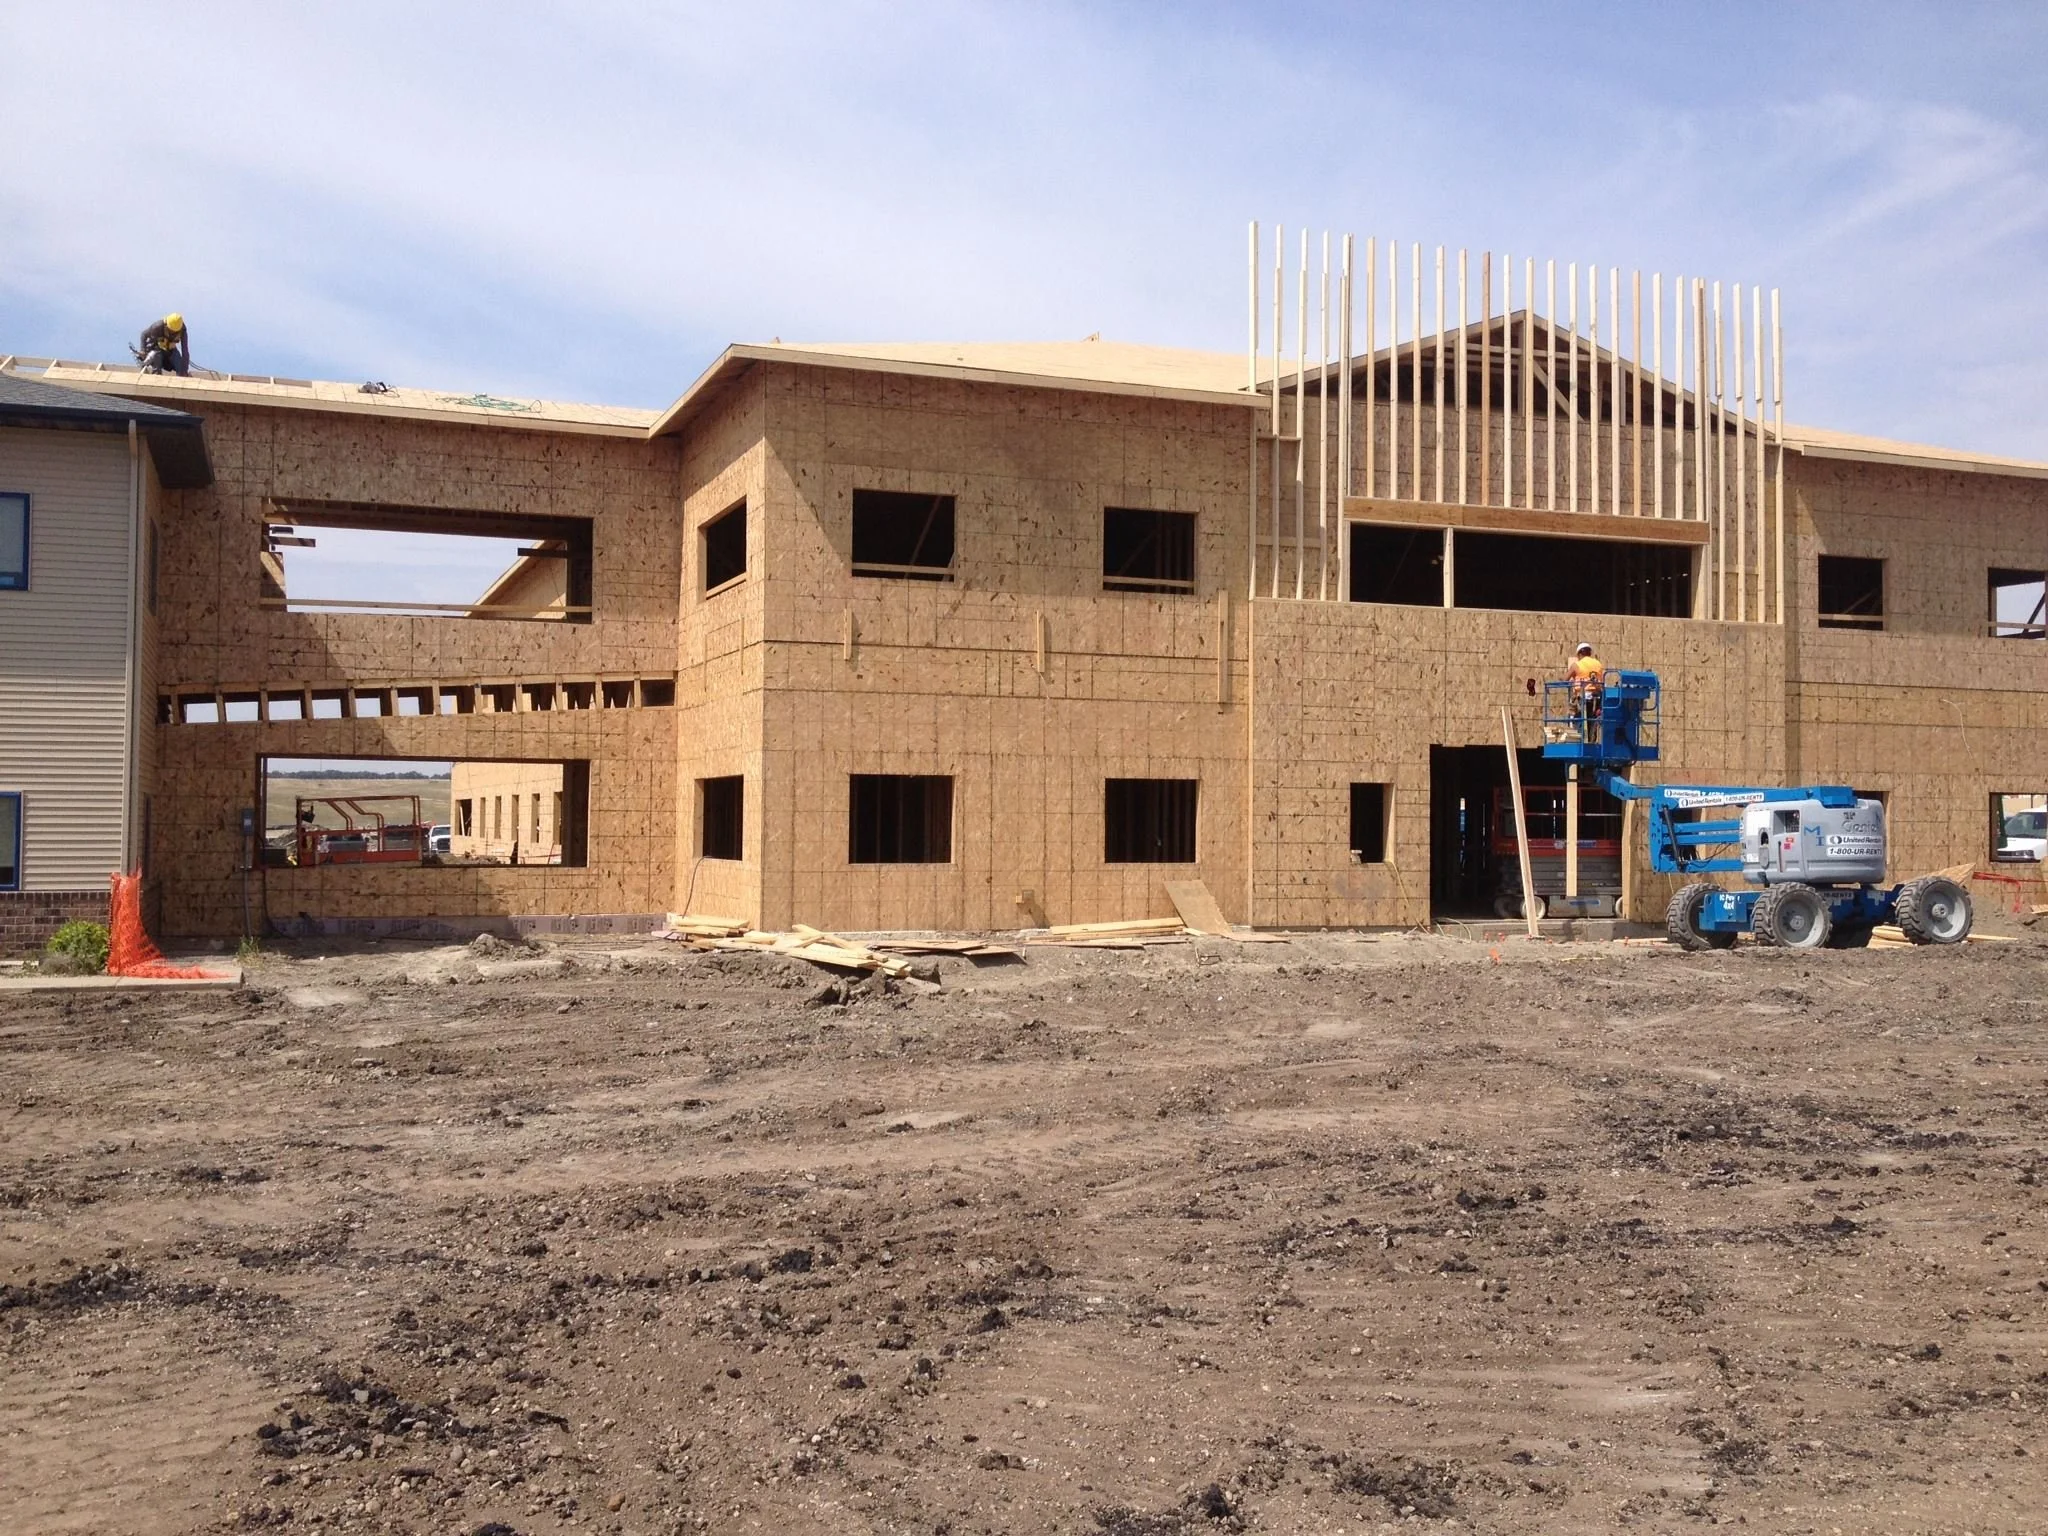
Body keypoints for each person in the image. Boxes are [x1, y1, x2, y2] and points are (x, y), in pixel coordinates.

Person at [1565, 642, 1606, 736]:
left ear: (1579, 654)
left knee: (1578, 721)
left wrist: (1573, 679)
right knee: (1592, 723)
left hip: (1583, 699)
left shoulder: (1577, 665)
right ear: (1590, 653)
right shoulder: (1598, 664)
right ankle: (1592, 741)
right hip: (1597, 699)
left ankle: (1579, 741)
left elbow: (1564, 679)